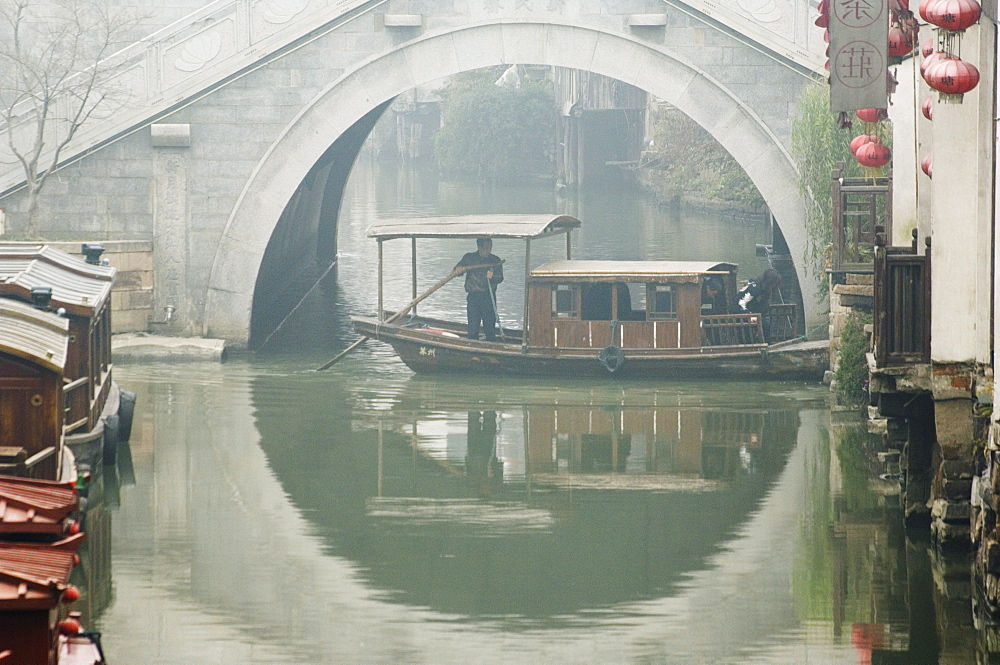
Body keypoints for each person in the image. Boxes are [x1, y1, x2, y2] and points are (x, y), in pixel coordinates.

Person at [455, 238, 504, 341]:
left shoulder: (495, 260)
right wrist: (458, 269)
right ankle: (473, 349)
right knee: (473, 328)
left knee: (490, 328)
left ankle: (491, 348)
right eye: (485, 248)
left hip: (488, 298)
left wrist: (493, 276)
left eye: (490, 247)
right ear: (479, 247)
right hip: (474, 298)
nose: (488, 250)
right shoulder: (469, 258)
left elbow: (500, 278)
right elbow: (457, 270)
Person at [737, 268, 782, 342]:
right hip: (744, 314)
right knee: (764, 325)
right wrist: (749, 314)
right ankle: (764, 343)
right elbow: (741, 302)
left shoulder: (764, 289)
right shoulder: (755, 289)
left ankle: (766, 343)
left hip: (755, 313)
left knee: (765, 325)